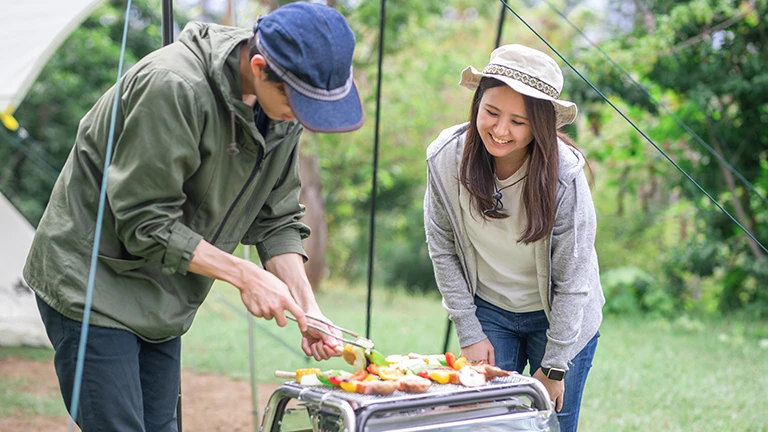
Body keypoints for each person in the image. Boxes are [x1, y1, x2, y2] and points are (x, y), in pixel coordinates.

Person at [23, 3, 363, 430]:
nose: (303, 118)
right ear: (258, 66)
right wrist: (245, 275)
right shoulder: (174, 86)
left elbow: (275, 218)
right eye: (299, 104)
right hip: (92, 282)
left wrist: (307, 307)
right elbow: (143, 221)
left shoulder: (282, 109)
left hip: (164, 293)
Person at [423, 44, 605, 432]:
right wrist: (470, 332)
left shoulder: (565, 177)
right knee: (484, 423)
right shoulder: (445, 158)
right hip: (490, 308)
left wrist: (554, 367)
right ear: (477, 105)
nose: (500, 130)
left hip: (560, 321)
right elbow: (442, 249)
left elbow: (574, 281)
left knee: (550, 425)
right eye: (491, 113)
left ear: (540, 126)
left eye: (518, 122)